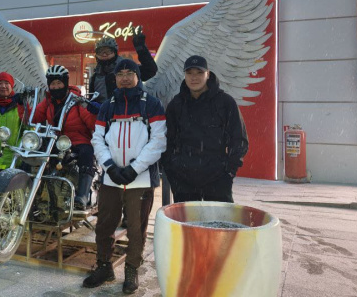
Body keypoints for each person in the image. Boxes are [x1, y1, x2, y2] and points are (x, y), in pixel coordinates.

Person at [85, 59, 166, 294]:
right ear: (115, 79)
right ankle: (104, 266)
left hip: (140, 178)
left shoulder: (152, 104)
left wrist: (134, 168)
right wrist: (109, 166)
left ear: (138, 77)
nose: (125, 78)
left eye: (130, 73)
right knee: (104, 224)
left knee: (136, 228)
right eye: (120, 74)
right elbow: (97, 138)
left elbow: (158, 141)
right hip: (111, 177)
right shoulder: (107, 106)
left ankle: (132, 269)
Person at [160, 55, 248, 204]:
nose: (194, 77)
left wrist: (229, 171)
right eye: (189, 73)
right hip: (183, 180)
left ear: (208, 74)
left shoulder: (225, 102)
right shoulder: (176, 104)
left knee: (220, 219)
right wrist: (172, 169)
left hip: (217, 180)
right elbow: (167, 140)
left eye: (199, 72)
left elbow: (239, 139)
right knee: (187, 220)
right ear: (185, 75)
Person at [32, 65, 98, 209]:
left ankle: (82, 195)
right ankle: (35, 193)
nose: (56, 87)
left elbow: (92, 123)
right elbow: (34, 118)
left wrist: (93, 111)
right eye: (52, 84)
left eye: (59, 83)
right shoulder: (48, 102)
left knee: (86, 154)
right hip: (56, 141)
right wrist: (21, 104)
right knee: (36, 153)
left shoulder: (77, 100)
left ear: (66, 83)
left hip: (78, 140)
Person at [89, 28, 157, 104]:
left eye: (108, 51)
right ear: (96, 55)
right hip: (105, 111)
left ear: (115, 53)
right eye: (101, 52)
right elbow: (92, 102)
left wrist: (140, 47)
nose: (104, 54)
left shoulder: (128, 68)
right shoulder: (94, 78)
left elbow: (150, 70)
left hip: (130, 110)